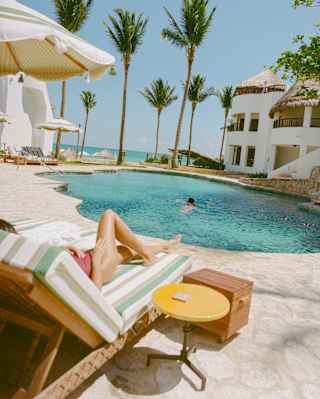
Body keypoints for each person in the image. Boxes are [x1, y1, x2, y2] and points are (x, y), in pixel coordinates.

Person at [0, 211, 181, 289]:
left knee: (123, 250)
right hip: (98, 266)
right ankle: (148, 253)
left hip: (91, 259)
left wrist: (61, 249)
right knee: (109, 215)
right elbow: (94, 291)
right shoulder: (26, 266)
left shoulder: (16, 262)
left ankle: (162, 246)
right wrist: (96, 260)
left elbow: (45, 259)